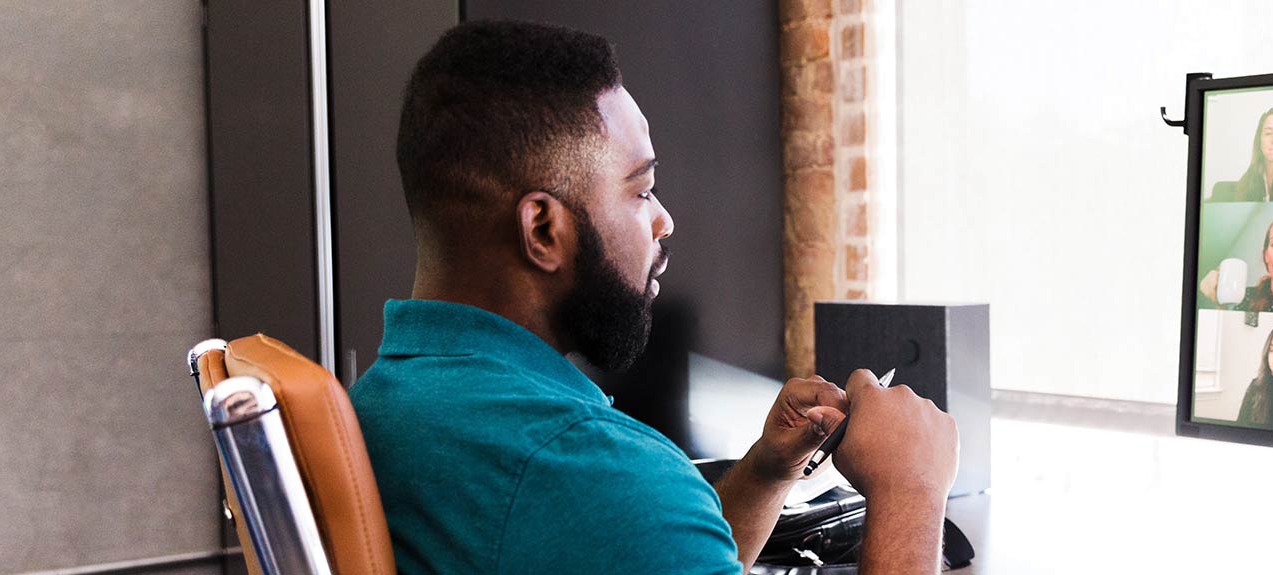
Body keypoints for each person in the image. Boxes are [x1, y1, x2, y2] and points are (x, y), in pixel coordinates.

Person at [348, 21, 958, 574]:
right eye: (641, 191)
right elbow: (620, 509)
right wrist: (912, 490)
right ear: (543, 230)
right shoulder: (585, 466)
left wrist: (768, 472)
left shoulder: (386, 405)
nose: (664, 221)